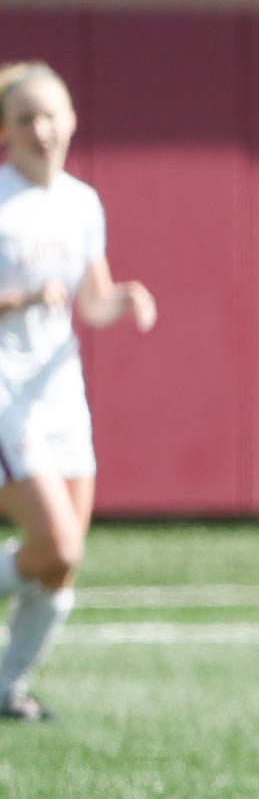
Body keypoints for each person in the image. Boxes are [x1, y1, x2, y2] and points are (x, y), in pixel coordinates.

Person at [0, 61, 156, 722]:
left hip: (62, 394)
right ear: (6, 129)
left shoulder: (82, 202)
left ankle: (7, 689)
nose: (41, 127)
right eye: (26, 116)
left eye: (51, 113)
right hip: (7, 394)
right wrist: (22, 297)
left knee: (64, 568)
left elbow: (89, 299)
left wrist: (121, 300)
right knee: (56, 545)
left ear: (72, 120)